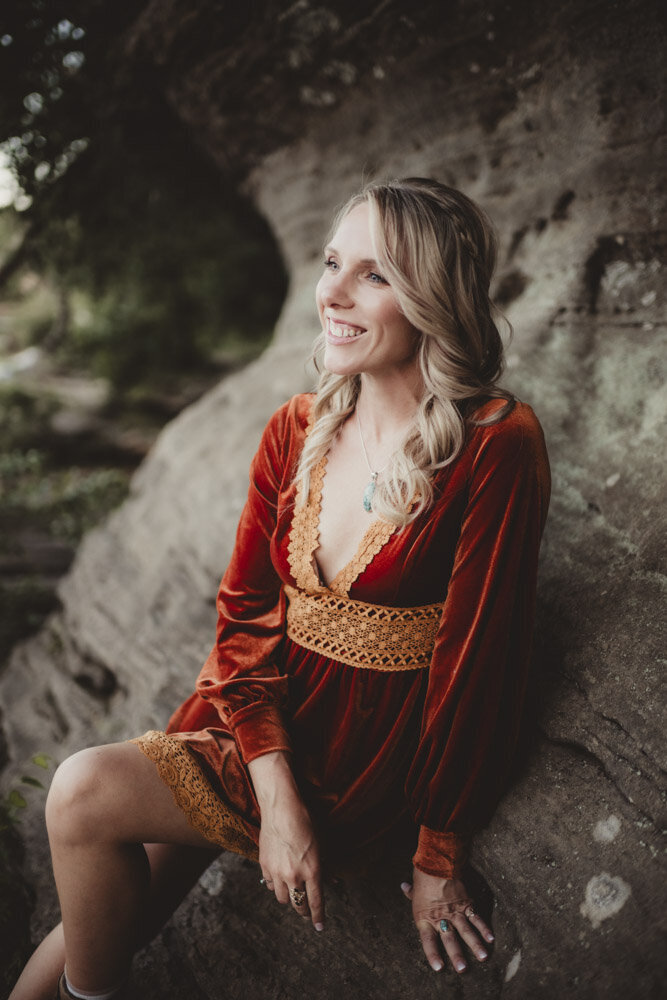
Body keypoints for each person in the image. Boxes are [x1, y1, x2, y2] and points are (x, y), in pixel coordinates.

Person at [10, 177, 550, 1000]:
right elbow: (244, 616)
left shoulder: (495, 443)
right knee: (105, 921)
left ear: (433, 298)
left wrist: (438, 855)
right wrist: (276, 798)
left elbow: (479, 660)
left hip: (359, 763)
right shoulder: (297, 426)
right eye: (332, 263)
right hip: (257, 728)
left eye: (373, 274)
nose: (330, 293)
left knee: (80, 795)